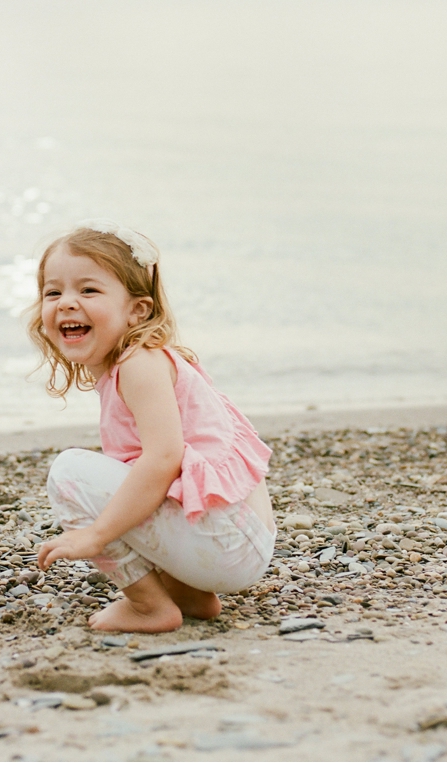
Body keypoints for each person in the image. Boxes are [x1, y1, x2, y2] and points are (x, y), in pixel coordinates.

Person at [32, 221, 276, 633]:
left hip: (230, 543)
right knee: (133, 475)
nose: (67, 303)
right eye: (54, 292)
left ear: (137, 310)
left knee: (69, 472)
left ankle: (149, 607)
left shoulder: (139, 365)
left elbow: (166, 458)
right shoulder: (143, 361)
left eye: (88, 290)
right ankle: (190, 593)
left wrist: (98, 534)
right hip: (236, 542)